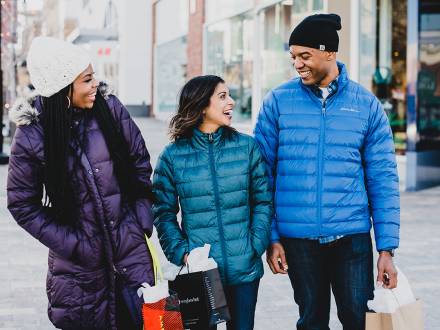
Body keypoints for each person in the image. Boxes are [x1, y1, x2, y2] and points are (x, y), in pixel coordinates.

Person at [254, 14, 400, 330]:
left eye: (305, 55)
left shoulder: (366, 105)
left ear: (330, 53)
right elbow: (261, 175)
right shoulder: (277, 102)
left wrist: (386, 249)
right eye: (293, 56)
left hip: (352, 239)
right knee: (311, 322)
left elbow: (383, 178)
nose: (297, 64)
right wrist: (272, 237)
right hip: (298, 239)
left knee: (359, 320)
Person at [7, 36, 154, 329]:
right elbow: (22, 204)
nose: (95, 84)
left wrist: (140, 219)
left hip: (130, 251)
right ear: (63, 89)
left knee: (146, 320)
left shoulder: (110, 108)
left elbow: (140, 164)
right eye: (86, 79)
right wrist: (74, 243)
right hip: (78, 270)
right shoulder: (32, 135)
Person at [153, 75, 272, 330]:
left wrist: (255, 245)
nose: (231, 101)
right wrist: (182, 253)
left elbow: (263, 201)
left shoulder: (247, 147)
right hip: (198, 272)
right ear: (201, 105)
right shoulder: (172, 157)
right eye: (222, 96)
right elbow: (163, 213)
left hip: (244, 270)